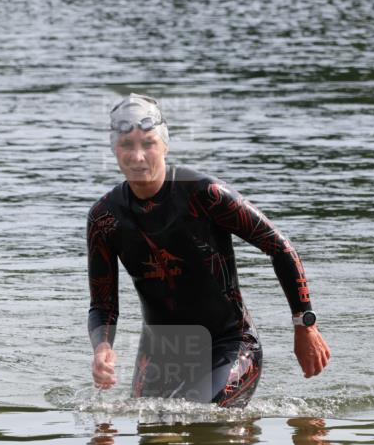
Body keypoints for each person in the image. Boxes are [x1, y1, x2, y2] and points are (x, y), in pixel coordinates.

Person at [87, 93, 330, 408]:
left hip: (230, 344)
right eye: (126, 145)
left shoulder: (205, 194)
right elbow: (103, 305)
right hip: (161, 353)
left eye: (147, 143)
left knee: (204, 416)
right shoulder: (105, 218)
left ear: (164, 145)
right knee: (152, 432)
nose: (137, 156)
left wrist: (304, 325)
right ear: (114, 150)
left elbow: (279, 247)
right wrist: (102, 348)